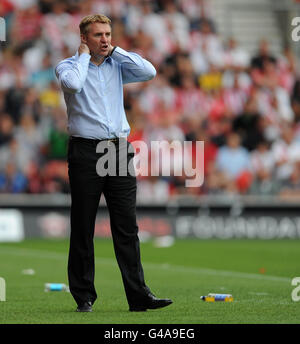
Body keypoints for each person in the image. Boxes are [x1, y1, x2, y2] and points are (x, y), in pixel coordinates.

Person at [55, 14, 172, 313]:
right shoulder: (68, 66)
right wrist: (83, 57)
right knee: (83, 225)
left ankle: (139, 296)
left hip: (118, 150)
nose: (105, 39)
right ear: (84, 39)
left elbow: (149, 71)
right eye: (98, 35)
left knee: (126, 226)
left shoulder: (117, 64)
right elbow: (73, 85)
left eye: (108, 34)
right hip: (85, 151)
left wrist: (116, 51)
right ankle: (84, 296)